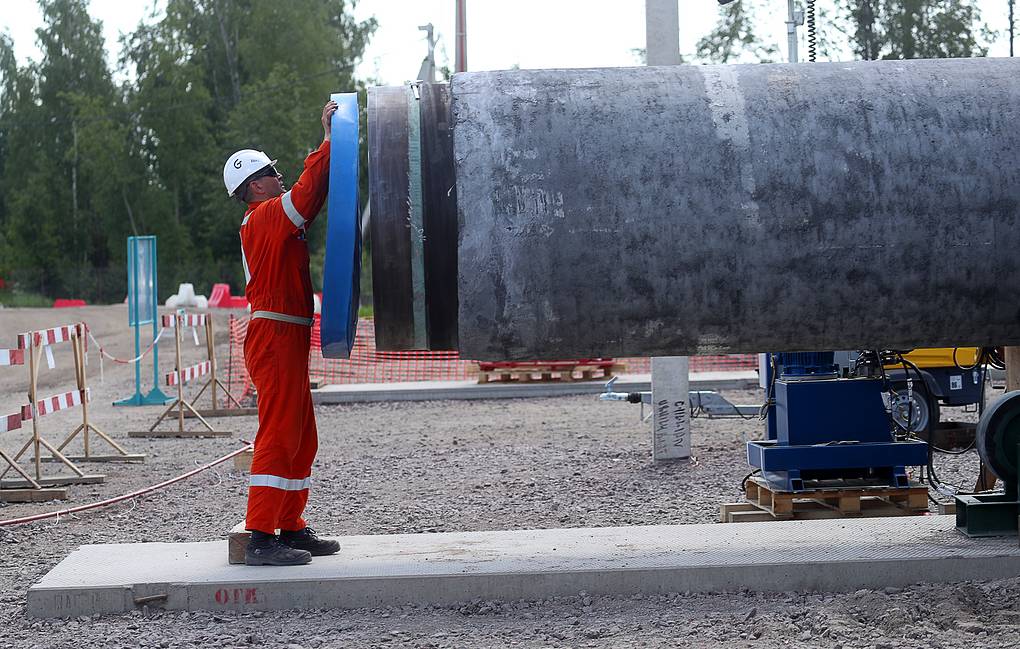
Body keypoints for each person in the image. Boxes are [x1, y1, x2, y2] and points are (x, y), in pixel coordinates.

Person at [222, 100, 340, 566]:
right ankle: (260, 536)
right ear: (255, 184)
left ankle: (289, 526)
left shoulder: (268, 218)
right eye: (272, 171)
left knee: (301, 435)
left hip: (285, 336)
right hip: (273, 338)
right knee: (277, 434)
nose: (280, 174)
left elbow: (307, 198)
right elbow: (309, 192)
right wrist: (329, 142)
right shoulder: (266, 216)